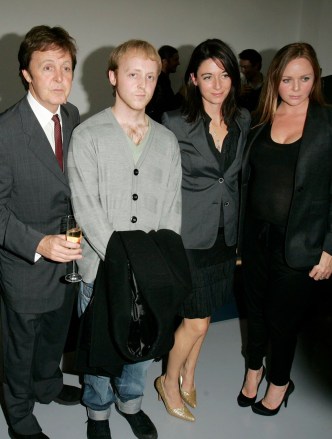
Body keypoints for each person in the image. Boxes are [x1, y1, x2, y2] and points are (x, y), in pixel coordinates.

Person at [68, 40, 182, 439]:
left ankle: (130, 403)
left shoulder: (167, 142)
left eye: (151, 77)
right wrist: (122, 259)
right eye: (133, 74)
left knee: (144, 342)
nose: (143, 84)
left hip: (150, 270)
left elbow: (172, 207)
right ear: (113, 77)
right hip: (101, 266)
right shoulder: (88, 136)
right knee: (102, 346)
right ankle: (97, 411)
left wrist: (159, 265)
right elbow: (85, 206)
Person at [237, 42, 332, 416]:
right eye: (288, 79)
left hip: (301, 241)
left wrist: (329, 247)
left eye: (305, 78)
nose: (295, 88)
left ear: (316, 78)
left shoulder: (327, 123)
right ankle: (253, 370)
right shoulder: (258, 122)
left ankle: (280, 382)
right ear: (275, 79)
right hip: (256, 236)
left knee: (283, 320)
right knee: (255, 312)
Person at [158, 38, 250, 421]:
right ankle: (168, 379)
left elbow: (239, 180)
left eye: (225, 74)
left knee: (207, 316)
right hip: (188, 237)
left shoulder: (243, 119)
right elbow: (160, 182)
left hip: (225, 236)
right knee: (193, 320)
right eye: (208, 75)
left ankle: (189, 376)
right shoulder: (174, 122)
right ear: (193, 78)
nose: (217, 84)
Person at [0, 25, 81, 439]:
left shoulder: (70, 114)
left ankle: (47, 385)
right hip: (26, 260)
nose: (59, 77)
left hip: (66, 255)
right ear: (26, 73)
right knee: (21, 345)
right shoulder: (6, 132)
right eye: (47, 67)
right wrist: (38, 243)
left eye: (66, 67)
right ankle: (17, 413)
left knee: (55, 332)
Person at [146, 45, 183, 122]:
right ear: (165, 61)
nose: (178, 63)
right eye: (175, 59)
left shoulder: (161, 79)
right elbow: (166, 107)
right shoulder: (159, 80)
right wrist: (181, 94)